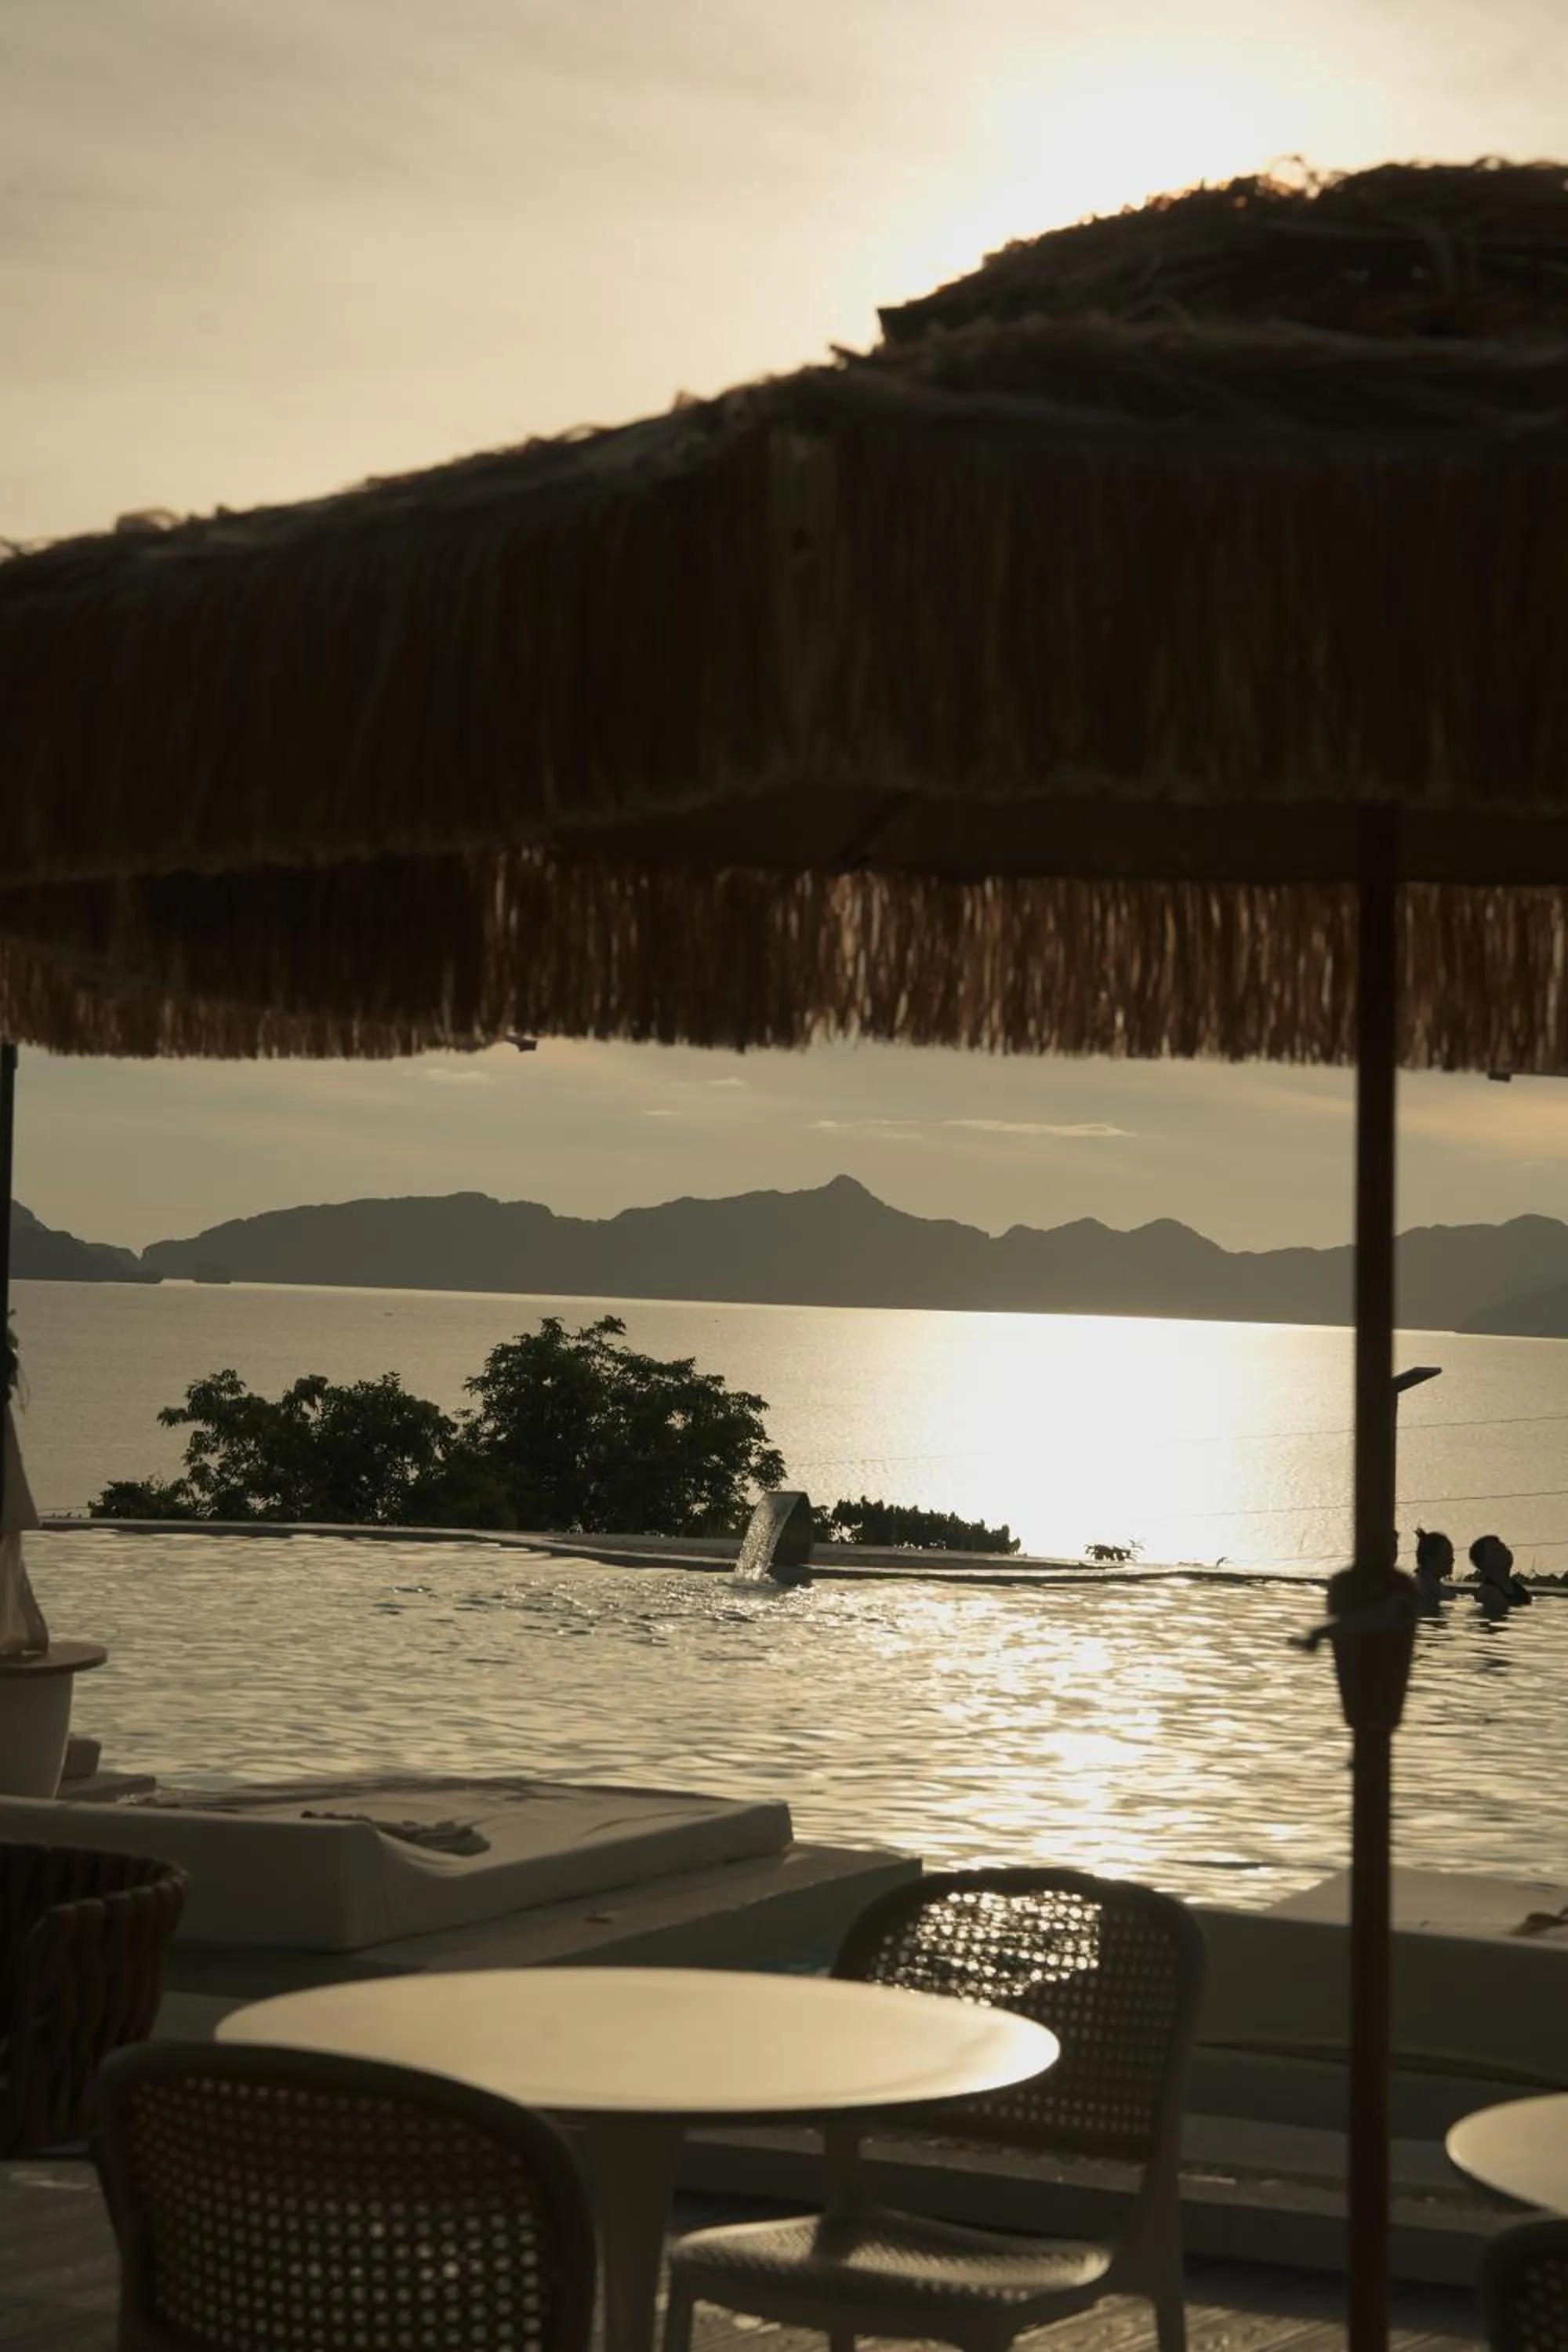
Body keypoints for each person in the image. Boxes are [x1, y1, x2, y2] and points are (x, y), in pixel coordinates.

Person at [1469, 1533, 1532, 1615]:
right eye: (1497, 1550)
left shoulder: (1515, 1587)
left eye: (1504, 1547)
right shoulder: (1489, 1593)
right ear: (1484, 1563)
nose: (1504, 1552)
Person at [1414, 1526, 1454, 1613]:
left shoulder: (1424, 1585)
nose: (1452, 1560)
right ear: (1431, 1559)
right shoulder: (1426, 1589)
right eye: (1448, 1554)